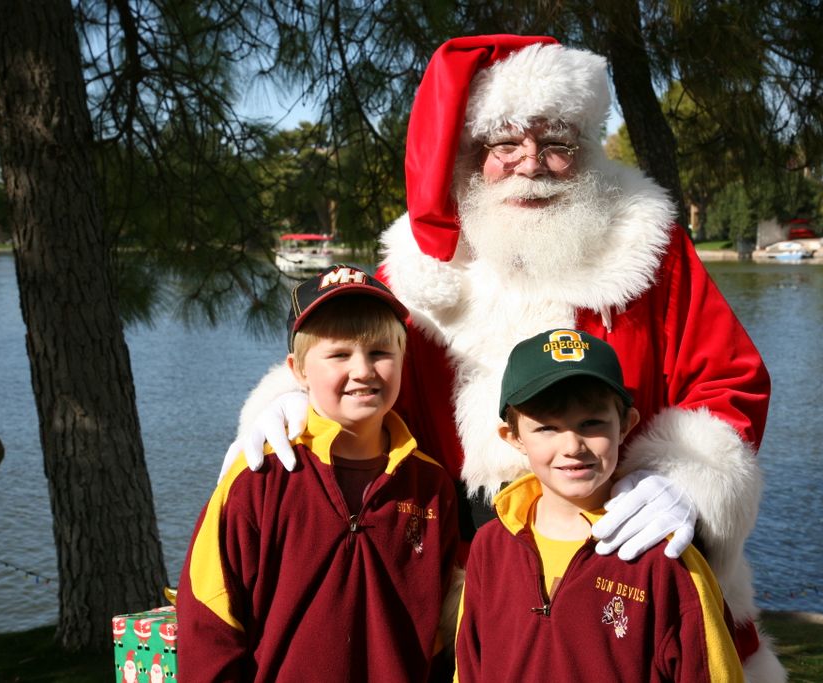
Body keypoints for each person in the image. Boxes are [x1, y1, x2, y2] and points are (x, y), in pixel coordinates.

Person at [227, 35, 783, 680]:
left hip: (613, 545)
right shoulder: (419, 267)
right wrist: (292, 401)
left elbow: (729, 377)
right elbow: (356, 361)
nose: (532, 164)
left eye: (557, 145)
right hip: (461, 563)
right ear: (472, 155)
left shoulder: (648, 247)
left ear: (588, 150)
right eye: (506, 145)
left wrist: (685, 479)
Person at [178, 264, 459, 681]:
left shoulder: (431, 486)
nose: (363, 370)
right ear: (298, 370)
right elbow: (208, 621)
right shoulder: (259, 478)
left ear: (404, 358)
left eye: (380, 352)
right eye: (339, 354)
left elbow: (442, 631)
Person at [454, 328, 743, 682]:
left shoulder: (666, 558)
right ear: (513, 438)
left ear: (625, 425)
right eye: (547, 428)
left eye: (591, 423)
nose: (573, 445)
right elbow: (468, 666)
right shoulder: (491, 546)